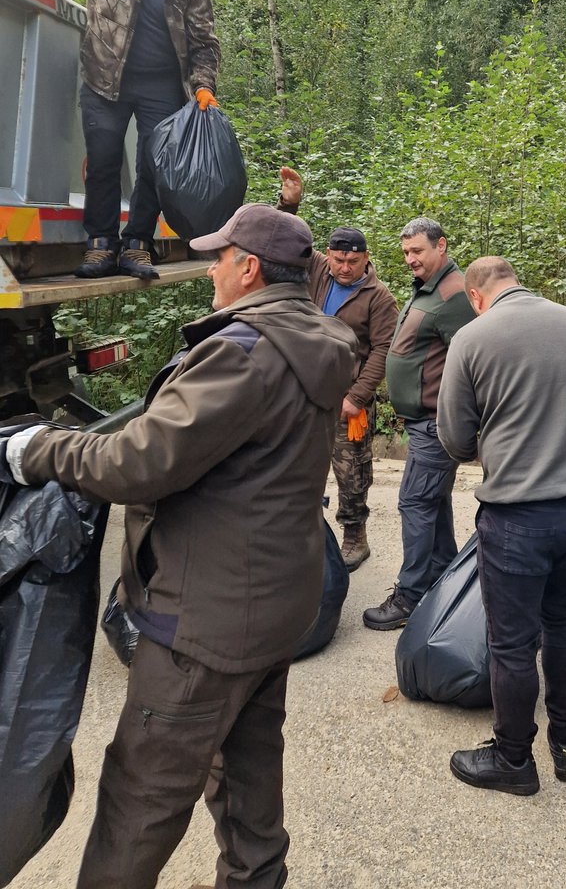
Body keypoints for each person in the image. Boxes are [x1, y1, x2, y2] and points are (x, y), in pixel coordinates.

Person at [3, 203, 356, 889]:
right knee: (248, 767)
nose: (210, 270)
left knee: (141, 797)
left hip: (206, 624)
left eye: (218, 258)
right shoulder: (316, 338)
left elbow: (137, 463)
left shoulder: (242, 352)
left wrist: (36, 448)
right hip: (275, 605)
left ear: (249, 269)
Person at [437, 257, 566, 794]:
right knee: (564, 620)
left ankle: (513, 759)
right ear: (516, 281)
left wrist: (488, 445)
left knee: (512, 643)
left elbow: (454, 436)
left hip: (518, 515)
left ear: (475, 295)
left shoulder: (472, 338)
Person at [0, 0, 220, 280]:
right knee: (102, 162)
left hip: (162, 87)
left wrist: (204, 86)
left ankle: (137, 245)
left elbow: (204, 42)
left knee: (154, 166)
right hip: (105, 78)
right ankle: (100, 245)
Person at [276, 166, 399, 569]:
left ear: (366, 259)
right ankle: (303, 532)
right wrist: (289, 204)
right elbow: (285, 241)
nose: (344, 268)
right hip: (305, 393)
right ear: (327, 255)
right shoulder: (317, 271)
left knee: (351, 472)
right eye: (339, 259)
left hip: (348, 401)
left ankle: (355, 537)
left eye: (353, 261)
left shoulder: (379, 298)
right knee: (298, 464)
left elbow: (383, 350)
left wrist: (357, 397)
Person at [362, 216, 475, 630]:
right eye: (406, 251)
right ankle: (447, 580)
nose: (410, 258)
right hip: (422, 422)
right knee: (433, 502)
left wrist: (460, 419)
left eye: (418, 251)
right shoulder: (427, 287)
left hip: (435, 424)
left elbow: (473, 361)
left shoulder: (453, 294)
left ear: (441, 246)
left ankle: (410, 595)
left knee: (415, 502)